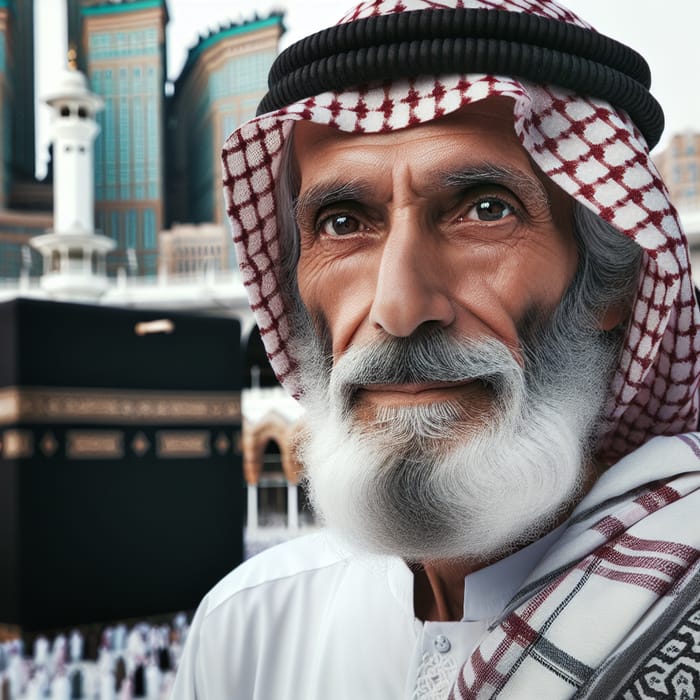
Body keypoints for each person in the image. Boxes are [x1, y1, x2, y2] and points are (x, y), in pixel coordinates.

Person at [170, 0, 700, 698]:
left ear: (613, 284)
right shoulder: (253, 627)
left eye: (485, 209)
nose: (399, 306)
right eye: (342, 221)